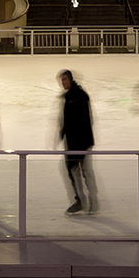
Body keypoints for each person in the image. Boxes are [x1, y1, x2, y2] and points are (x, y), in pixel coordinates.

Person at [58, 69, 97, 214]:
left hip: (80, 141)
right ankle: (80, 200)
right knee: (72, 169)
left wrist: (82, 140)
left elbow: (84, 119)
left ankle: (91, 200)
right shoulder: (69, 96)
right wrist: (63, 131)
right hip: (73, 141)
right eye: (62, 80)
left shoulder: (78, 95)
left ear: (71, 80)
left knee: (84, 171)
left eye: (65, 80)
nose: (63, 83)